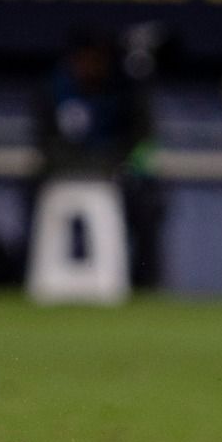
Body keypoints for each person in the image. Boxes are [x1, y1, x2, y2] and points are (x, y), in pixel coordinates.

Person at [34, 25, 164, 289]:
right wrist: (78, 167)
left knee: (147, 200)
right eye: (84, 58)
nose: (91, 65)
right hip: (64, 171)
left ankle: (145, 284)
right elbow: (45, 142)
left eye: (97, 58)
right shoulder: (54, 88)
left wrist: (111, 166)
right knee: (31, 192)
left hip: (113, 171)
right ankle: (25, 276)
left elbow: (138, 137)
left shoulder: (123, 87)